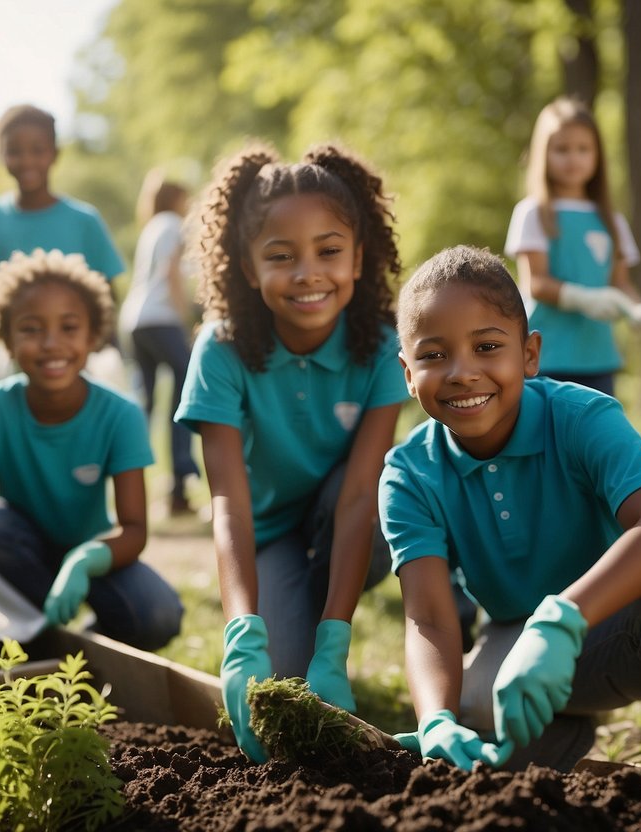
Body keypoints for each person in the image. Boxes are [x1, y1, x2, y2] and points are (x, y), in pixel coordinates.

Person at [380, 245, 641, 804]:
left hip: (627, 624)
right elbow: (429, 618)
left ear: (530, 354)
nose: (463, 372)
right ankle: (561, 736)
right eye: (434, 355)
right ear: (408, 373)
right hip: (513, 637)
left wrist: (561, 621)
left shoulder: (582, 416)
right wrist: (435, 720)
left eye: (487, 346)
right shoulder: (409, 474)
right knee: (475, 711)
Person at [175, 142, 408, 763]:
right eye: (282, 256)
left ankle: (445, 611)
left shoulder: (383, 347)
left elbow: (362, 493)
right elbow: (228, 502)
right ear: (249, 269)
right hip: (270, 530)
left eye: (329, 251)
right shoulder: (221, 351)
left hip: (349, 515)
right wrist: (241, 632)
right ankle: (289, 608)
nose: (308, 273)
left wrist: (334, 640)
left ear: (359, 258)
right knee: (279, 682)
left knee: (390, 492)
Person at [0, 248, 183, 651]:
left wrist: (82, 561)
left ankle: (83, 644)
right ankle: (41, 636)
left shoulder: (121, 415)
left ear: (93, 335)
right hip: (18, 549)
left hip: (93, 552)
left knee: (160, 613)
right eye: (30, 329)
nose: (51, 344)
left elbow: (134, 531)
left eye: (68, 327)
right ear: (6, 340)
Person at [0, 104, 125, 410]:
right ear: (0, 154)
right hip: (11, 359)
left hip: (73, 359)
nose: (27, 160)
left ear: (55, 154)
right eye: (15, 150)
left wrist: (105, 353)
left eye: (38, 149)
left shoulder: (84, 221)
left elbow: (107, 296)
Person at [504, 97, 641, 396]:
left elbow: (620, 283)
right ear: (543, 153)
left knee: (593, 439)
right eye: (561, 149)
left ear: (597, 156)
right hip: (544, 355)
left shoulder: (612, 221)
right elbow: (535, 283)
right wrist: (581, 297)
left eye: (583, 149)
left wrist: (637, 309)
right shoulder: (533, 213)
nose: (573, 159)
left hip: (598, 357)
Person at [119, 169, 200, 516]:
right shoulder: (171, 224)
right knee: (186, 395)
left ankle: (125, 475)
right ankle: (179, 483)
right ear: (174, 198)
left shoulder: (151, 227)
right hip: (160, 319)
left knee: (147, 403)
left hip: (135, 320)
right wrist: (186, 320)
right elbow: (170, 274)